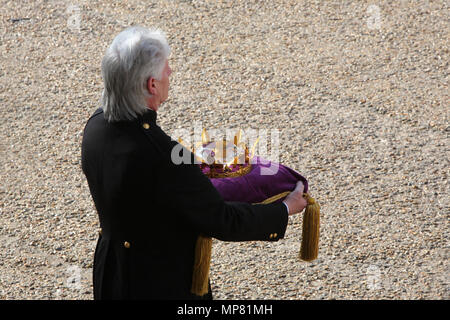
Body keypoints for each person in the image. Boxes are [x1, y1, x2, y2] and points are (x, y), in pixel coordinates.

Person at [81, 26, 307, 300]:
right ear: (152, 85)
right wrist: (284, 209)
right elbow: (222, 220)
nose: (171, 73)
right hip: (161, 282)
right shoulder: (165, 156)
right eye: (167, 67)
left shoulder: (95, 127)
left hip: (113, 272)